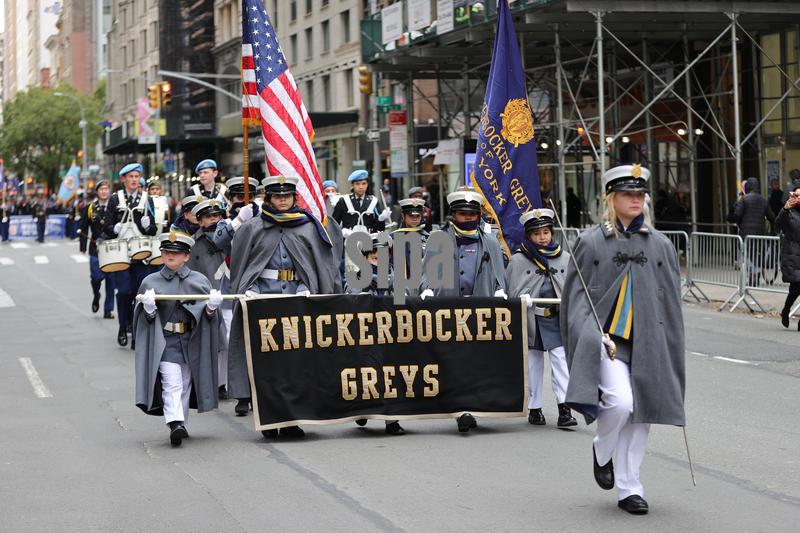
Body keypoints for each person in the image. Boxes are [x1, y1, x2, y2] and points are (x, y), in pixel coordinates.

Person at [561, 164, 685, 515]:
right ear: (611, 198)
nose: (636, 199)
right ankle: (603, 449)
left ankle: (630, 487)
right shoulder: (590, 241)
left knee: (642, 413)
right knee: (620, 403)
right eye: (628, 194)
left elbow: (670, 301)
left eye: (640, 194)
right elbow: (574, 298)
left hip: (648, 340)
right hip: (607, 340)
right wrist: (587, 335)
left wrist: (671, 344)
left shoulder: (660, 245)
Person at [227, 175, 339, 437]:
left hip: (296, 301)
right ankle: (269, 418)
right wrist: (249, 290)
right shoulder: (253, 227)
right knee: (265, 363)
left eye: (286, 196)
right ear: (269, 198)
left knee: (293, 363)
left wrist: (305, 287)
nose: (282, 201)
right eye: (277, 197)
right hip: (262, 302)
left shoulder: (307, 226)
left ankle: (290, 420)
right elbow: (240, 266)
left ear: (293, 197)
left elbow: (318, 264)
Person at [419, 189, 507, 433]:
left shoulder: (489, 241)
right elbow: (426, 273)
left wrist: (500, 290)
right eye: (462, 214)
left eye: (471, 214)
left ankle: (473, 404)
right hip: (450, 307)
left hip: (479, 306)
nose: (467, 218)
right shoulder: (440, 240)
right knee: (455, 359)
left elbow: (499, 272)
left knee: (476, 359)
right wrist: (426, 289)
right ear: (453, 215)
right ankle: (462, 409)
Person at [133, 229, 222, 447]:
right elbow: (144, 319)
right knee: (171, 383)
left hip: (191, 340)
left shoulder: (199, 280)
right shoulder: (150, 281)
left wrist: (211, 308)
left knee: (184, 383)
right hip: (165, 341)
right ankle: (174, 423)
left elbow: (208, 316)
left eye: (177, 252)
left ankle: (180, 422)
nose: (171, 256)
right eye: (166, 252)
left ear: (187, 256)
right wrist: (149, 307)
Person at [506, 208, 577, 428]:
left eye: (545, 232)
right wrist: (521, 299)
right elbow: (512, 291)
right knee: (533, 364)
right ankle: (535, 408)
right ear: (528, 236)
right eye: (536, 234)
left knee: (561, 362)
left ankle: (565, 408)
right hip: (532, 319)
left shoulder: (564, 257)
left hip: (556, 319)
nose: (542, 237)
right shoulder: (518, 260)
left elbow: (574, 288)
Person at [345, 233, 404, 435]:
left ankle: (392, 419)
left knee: (391, 377)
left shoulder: (397, 277)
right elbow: (349, 301)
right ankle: (363, 409)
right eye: (374, 258)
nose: (379, 262)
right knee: (367, 374)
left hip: (391, 335)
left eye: (383, 258)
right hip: (366, 334)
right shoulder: (357, 279)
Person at [106, 163, 158, 347]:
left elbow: (153, 230)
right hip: (121, 255)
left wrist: (147, 226)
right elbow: (107, 226)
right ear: (123, 179)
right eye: (131, 176)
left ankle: (137, 332)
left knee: (140, 294)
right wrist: (114, 228)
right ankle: (122, 326)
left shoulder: (147, 199)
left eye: (137, 176)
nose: (134, 180)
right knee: (124, 293)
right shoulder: (114, 199)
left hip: (141, 254)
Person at [188, 198, 230, 400]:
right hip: (207, 298)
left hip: (231, 295)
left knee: (228, 342)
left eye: (217, 215)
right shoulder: (192, 245)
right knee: (213, 341)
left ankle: (224, 382)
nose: (214, 220)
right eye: (208, 217)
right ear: (199, 221)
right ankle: (211, 381)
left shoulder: (233, 237)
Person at [79, 179, 116, 319]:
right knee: (96, 277)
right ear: (97, 192)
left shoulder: (115, 206)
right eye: (101, 189)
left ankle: (108, 309)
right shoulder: (90, 208)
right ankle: (96, 295)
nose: (104, 191)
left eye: (106, 189)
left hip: (112, 248)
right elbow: (84, 228)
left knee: (111, 280)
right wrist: (82, 246)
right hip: (95, 247)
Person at [732, 177, 776, 286]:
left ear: (747, 187)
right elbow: (772, 217)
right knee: (756, 255)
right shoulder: (763, 200)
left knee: (746, 255)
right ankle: (755, 277)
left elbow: (737, 215)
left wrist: (739, 222)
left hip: (745, 233)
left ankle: (753, 275)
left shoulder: (744, 199)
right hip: (759, 233)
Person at [331, 170, 391, 236]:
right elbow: (334, 225)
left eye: (364, 183)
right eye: (357, 184)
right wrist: (342, 231)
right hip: (348, 242)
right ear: (352, 185)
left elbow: (379, 230)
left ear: (367, 184)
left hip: (368, 242)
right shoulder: (343, 201)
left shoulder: (373, 201)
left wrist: (381, 220)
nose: (361, 187)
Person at [776, 178, 800, 330]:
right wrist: (785, 209)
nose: (798, 198)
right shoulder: (788, 212)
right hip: (792, 255)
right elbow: (778, 224)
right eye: (796, 195)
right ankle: (786, 310)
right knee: (796, 289)